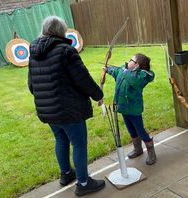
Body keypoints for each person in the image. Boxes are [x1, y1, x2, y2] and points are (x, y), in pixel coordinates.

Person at [28, 16, 105, 196]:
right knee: (79, 144)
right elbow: (82, 78)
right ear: (60, 31)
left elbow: (32, 85)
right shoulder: (66, 50)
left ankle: (67, 174)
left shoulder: (34, 53)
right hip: (69, 110)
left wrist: (48, 100)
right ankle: (84, 183)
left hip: (49, 111)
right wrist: (98, 95)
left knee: (61, 139)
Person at [104, 53, 156, 165]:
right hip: (123, 107)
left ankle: (151, 152)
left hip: (134, 109)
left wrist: (125, 71)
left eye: (131, 60)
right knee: (131, 130)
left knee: (140, 131)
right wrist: (107, 69)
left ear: (137, 65)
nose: (128, 61)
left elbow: (133, 81)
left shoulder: (140, 76)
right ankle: (138, 149)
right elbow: (116, 71)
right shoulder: (125, 71)